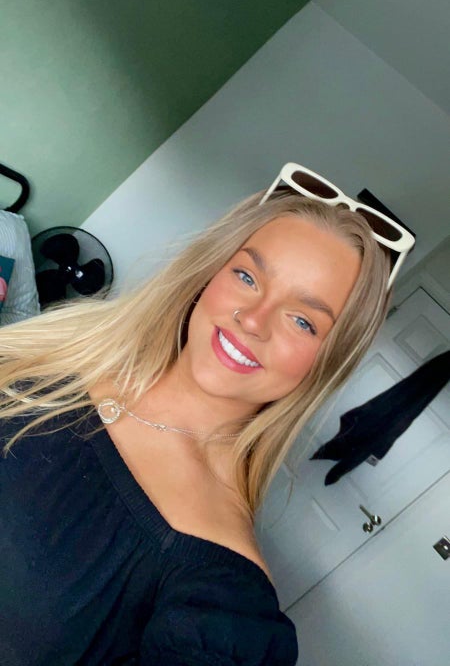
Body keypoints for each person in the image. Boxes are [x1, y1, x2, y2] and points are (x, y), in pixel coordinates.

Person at [0, 162, 414, 665]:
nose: (253, 319)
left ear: (327, 362)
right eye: (247, 276)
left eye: (303, 321)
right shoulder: (64, 345)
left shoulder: (222, 602)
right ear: (210, 273)